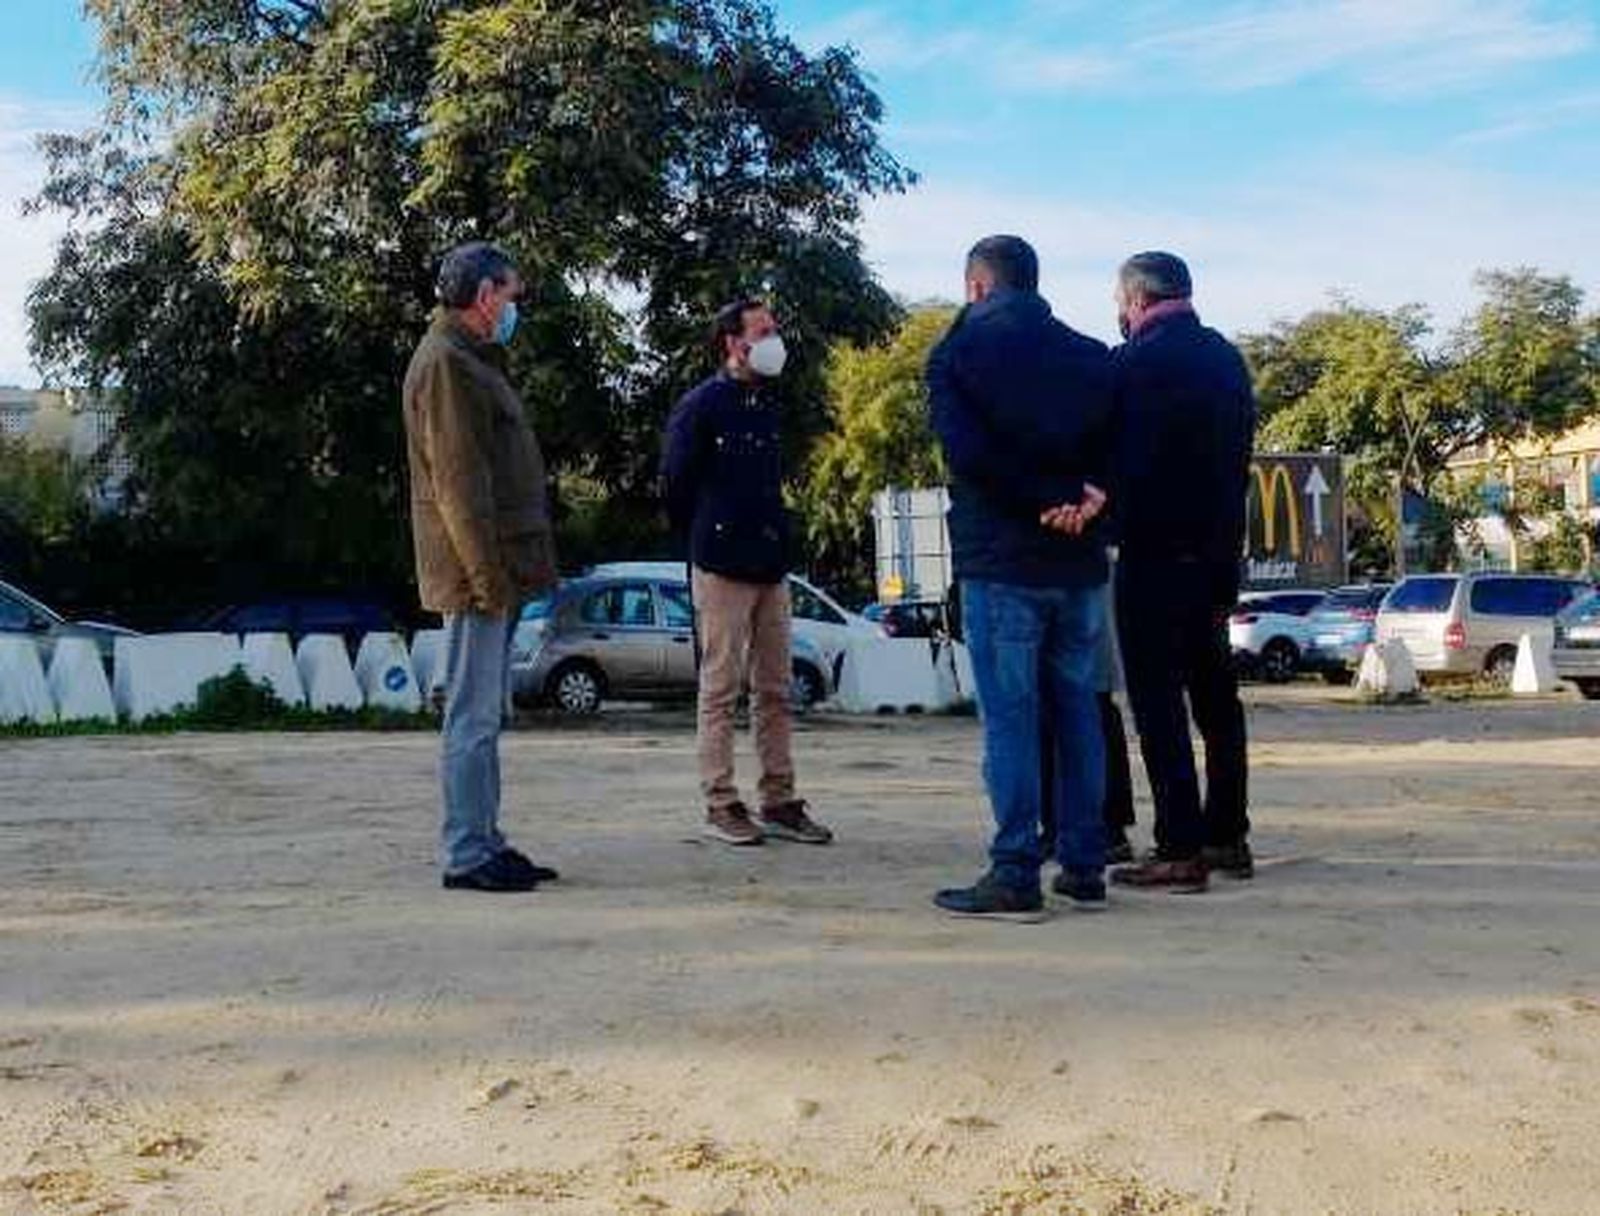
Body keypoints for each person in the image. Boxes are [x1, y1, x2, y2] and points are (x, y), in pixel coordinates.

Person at [926, 235, 1113, 918]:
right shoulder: (1091, 355)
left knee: (1010, 722)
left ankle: (1014, 869)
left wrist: (1042, 501)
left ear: (977, 287)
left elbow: (968, 455)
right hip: (1080, 561)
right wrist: (1088, 498)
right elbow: (1120, 443)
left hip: (1002, 559)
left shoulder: (958, 355)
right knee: (1078, 713)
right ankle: (1086, 865)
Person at [402, 242, 560, 893]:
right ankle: (467, 852)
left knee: (486, 715)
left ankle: (486, 839)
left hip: (491, 572)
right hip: (476, 578)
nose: (515, 308)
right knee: (470, 716)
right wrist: (489, 581)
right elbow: (460, 487)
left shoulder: (469, 359)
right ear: (485, 295)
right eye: (512, 295)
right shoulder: (446, 365)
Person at [1104, 251, 1256, 892]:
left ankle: (1178, 846)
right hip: (1217, 557)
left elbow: (1117, 462)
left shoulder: (1134, 365)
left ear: (1135, 301)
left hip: (1153, 554)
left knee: (1158, 705)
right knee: (1217, 701)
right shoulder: (1227, 360)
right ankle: (1227, 835)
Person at [661, 299, 833, 848]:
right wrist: (706, 539)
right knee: (720, 688)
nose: (774, 339)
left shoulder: (765, 404)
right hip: (721, 565)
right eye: (763, 331)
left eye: (774, 329)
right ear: (733, 343)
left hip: (770, 564)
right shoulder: (701, 406)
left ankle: (779, 799)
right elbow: (675, 484)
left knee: (776, 689)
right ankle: (720, 801)